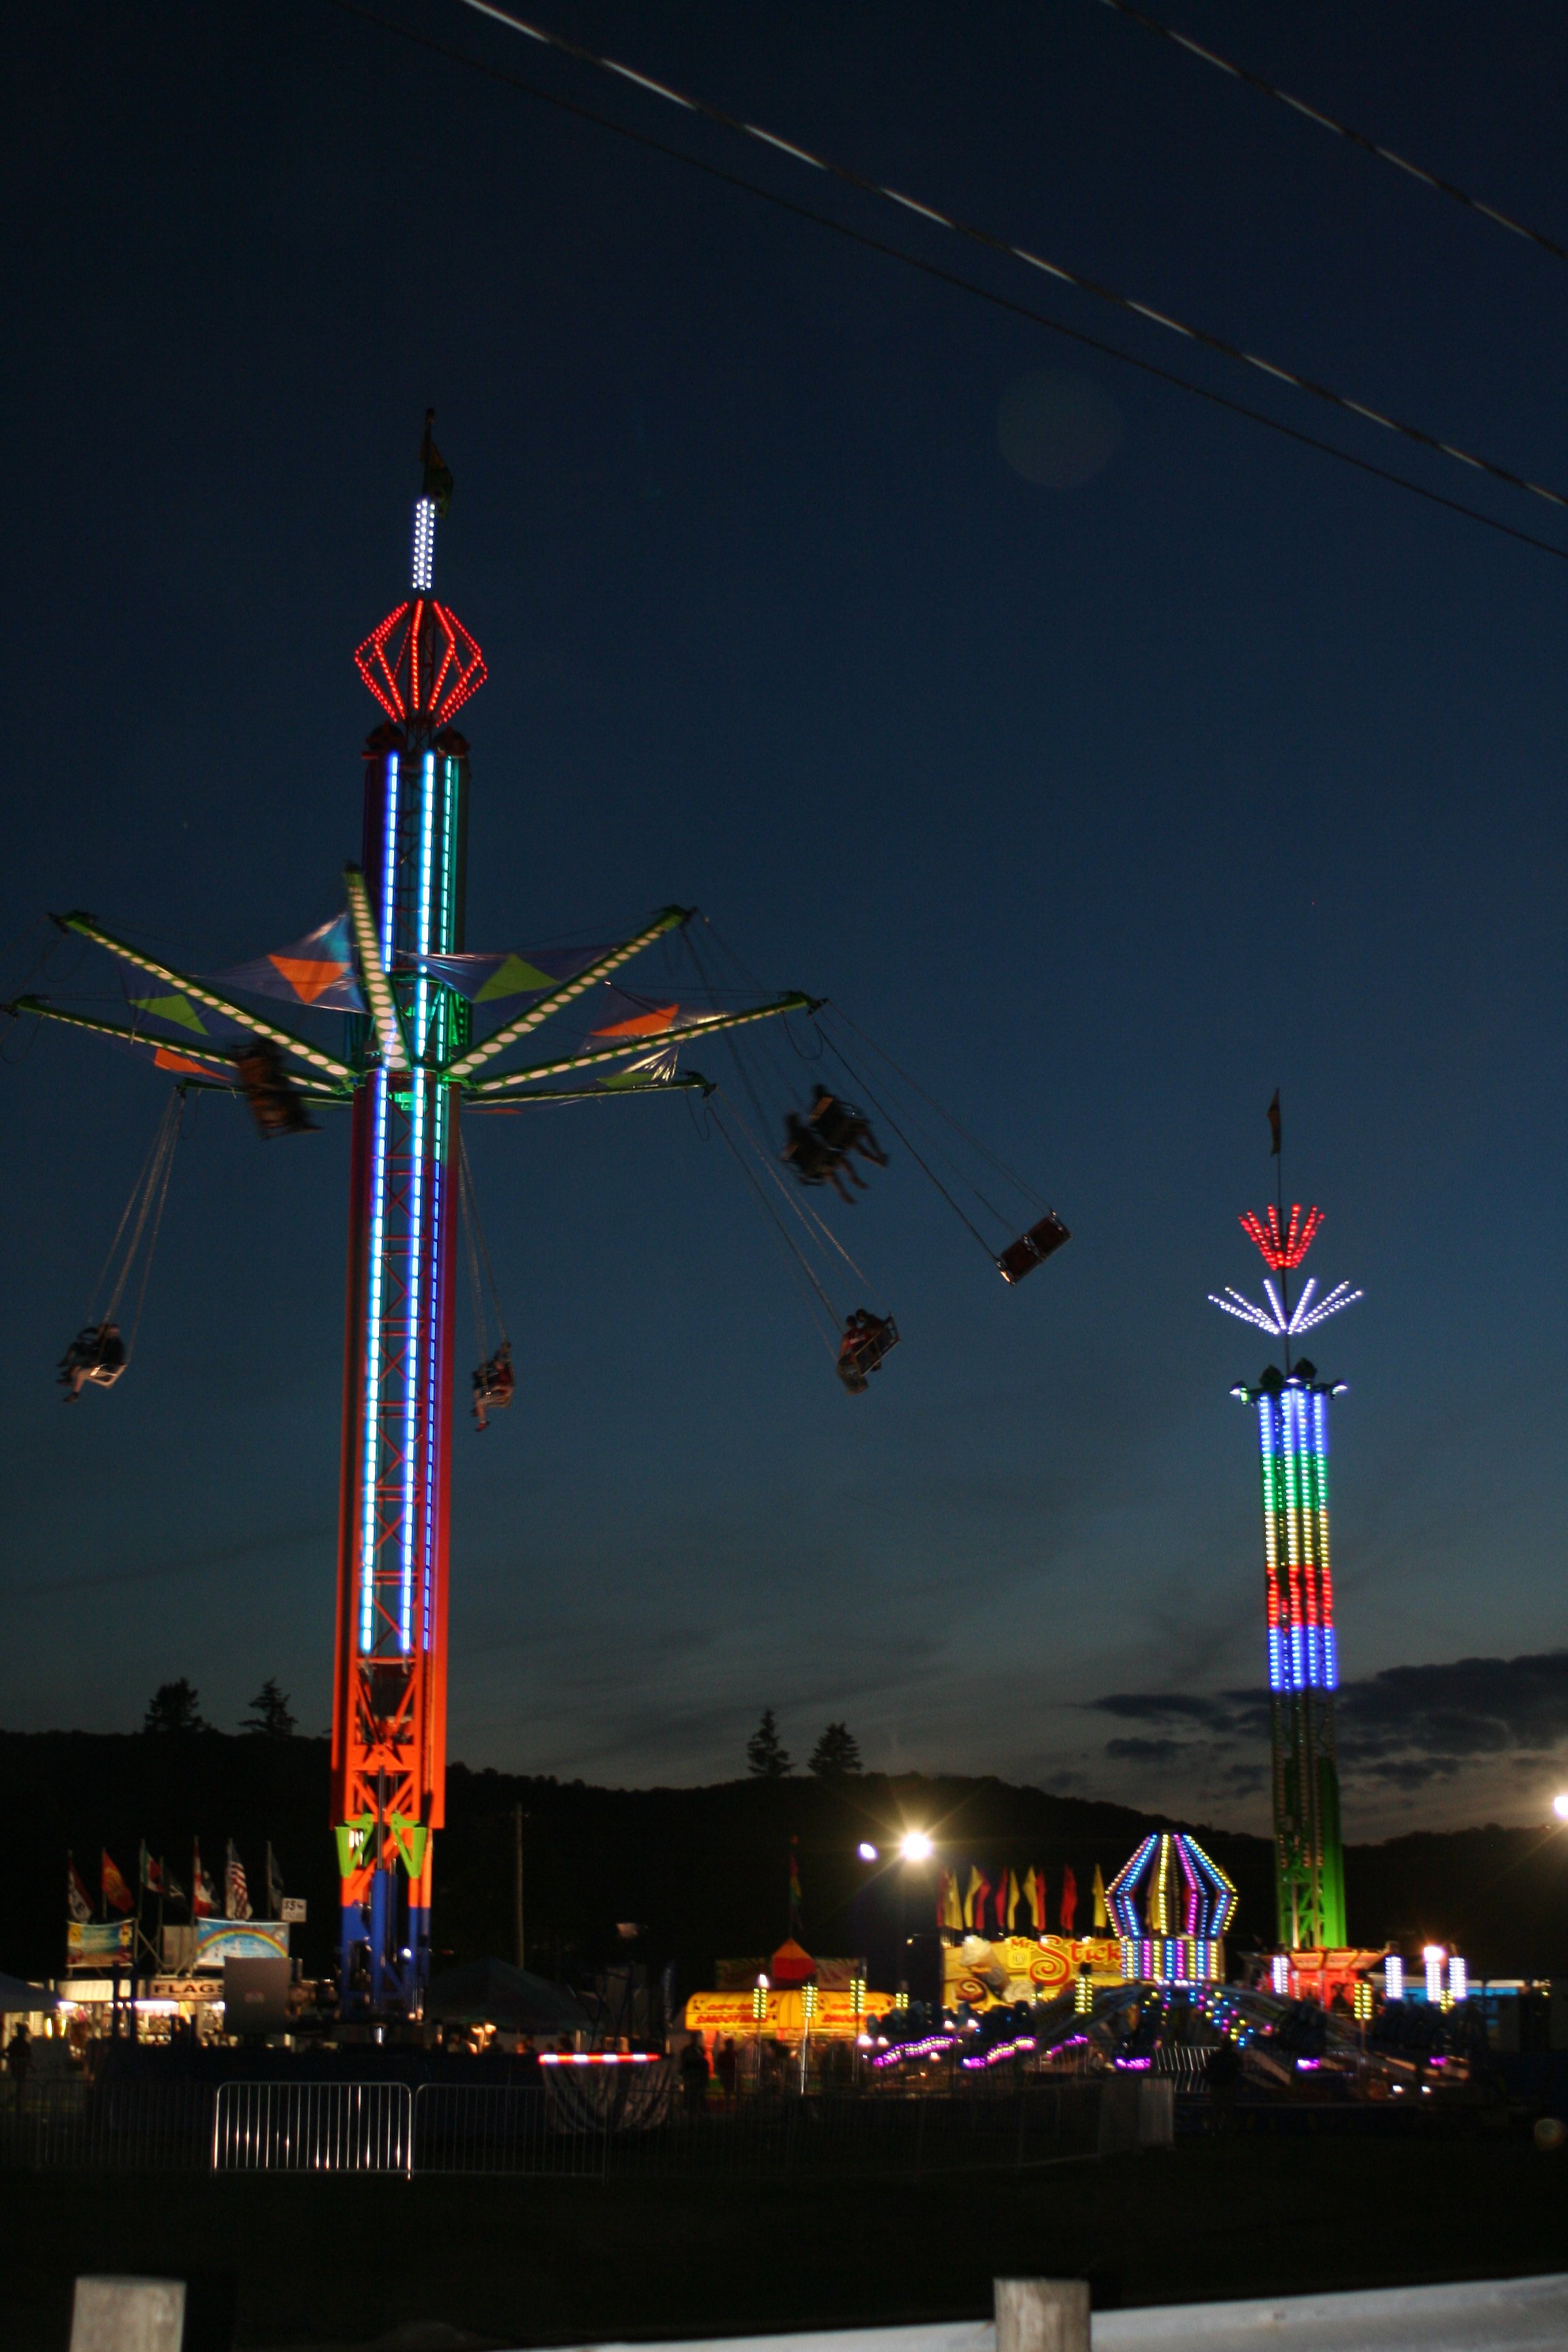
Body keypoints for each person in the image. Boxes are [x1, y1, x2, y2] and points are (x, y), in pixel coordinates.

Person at [782, 1112, 861, 1203]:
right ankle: (850, 1181)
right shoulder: (796, 1136)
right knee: (834, 1166)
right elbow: (794, 1148)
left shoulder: (798, 1134)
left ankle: (848, 1185)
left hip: (818, 1159)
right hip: (816, 1160)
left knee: (832, 1169)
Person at [808, 1086, 887, 1167]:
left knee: (853, 1142)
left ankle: (877, 1161)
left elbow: (814, 1126)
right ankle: (879, 1154)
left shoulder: (814, 1112)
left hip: (832, 1137)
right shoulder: (827, 1099)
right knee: (864, 1130)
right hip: (840, 1127)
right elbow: (841, 1106)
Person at [1205, 2035, 1242, 2133]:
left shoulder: (1215, 2056)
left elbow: (1208, 2068)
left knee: (1216, 2108)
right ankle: (1229, 2129)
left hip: (1217, 2084)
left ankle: (1214, 2129)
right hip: (1228, 2084)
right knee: (1228, 2108)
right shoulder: (1233, 2057)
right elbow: (1239, 2068)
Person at [679, 2033, 710, 2117]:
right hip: (693, 2081)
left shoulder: (698, 2058)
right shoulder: (697, 2058)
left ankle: (698, 2112)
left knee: (695, 2097)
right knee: (694, 2097)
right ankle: (696, 2112)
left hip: (695, 2081)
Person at [5, 2023, 31, 2106]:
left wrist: (9, 2059)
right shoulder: (22, 2044)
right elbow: (28, 2058)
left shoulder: (15, 2042)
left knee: (19, 2089)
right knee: (19, 2089)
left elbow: (5, 2052)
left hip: (16, 2068)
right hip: (19, 2069)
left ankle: (12, 2104)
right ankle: (13, 2105)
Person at [716, 2036, 738, 2106]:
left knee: (729, 2093)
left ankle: (730, 2106)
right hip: (729, 2076)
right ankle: (729, 2107)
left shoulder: (726, 2055)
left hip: (731, 2076)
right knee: (729, 2092)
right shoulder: (730, 2054)